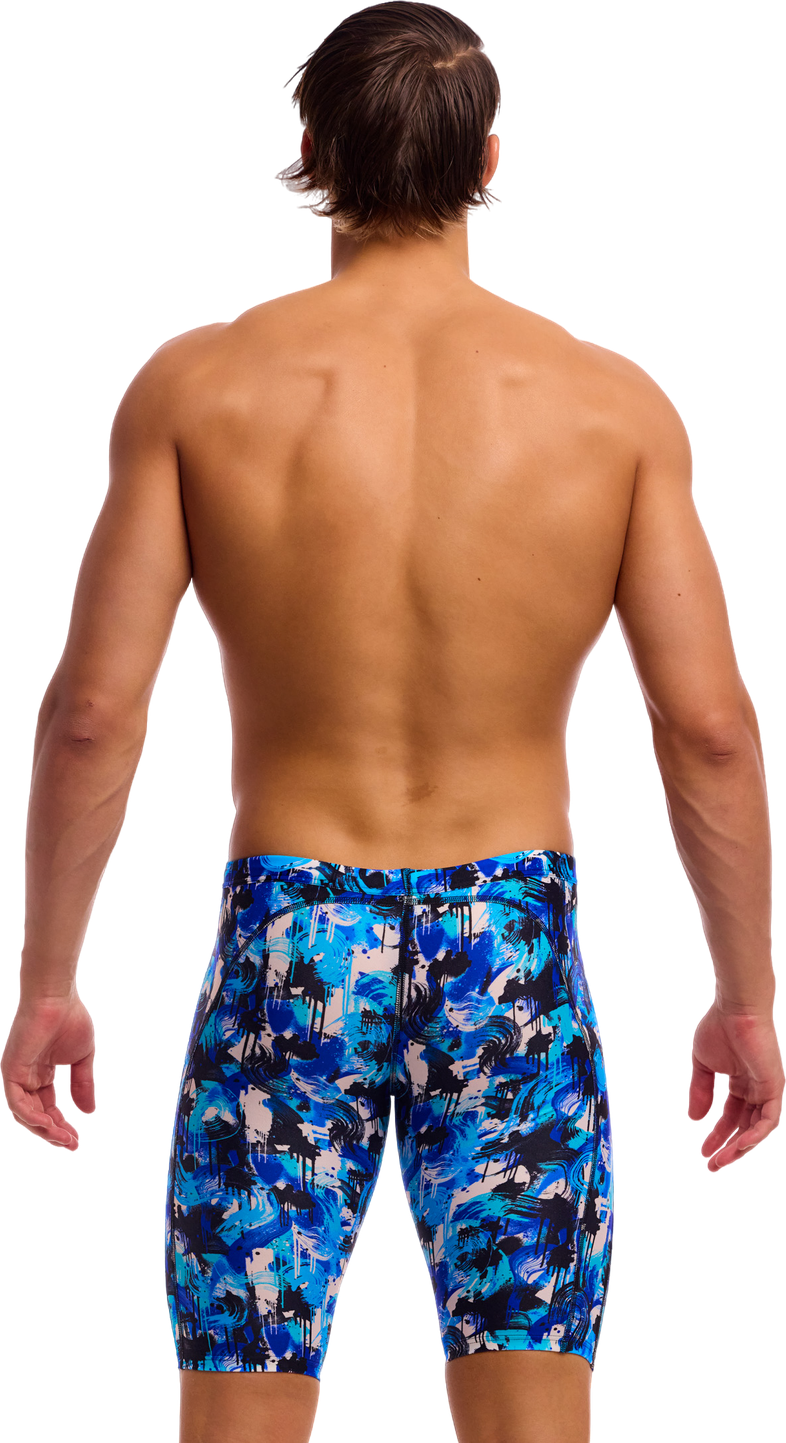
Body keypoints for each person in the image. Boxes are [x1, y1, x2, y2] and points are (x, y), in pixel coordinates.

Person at [1, 6, 782, 1443]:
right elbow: (708, 729)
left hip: (290, 936)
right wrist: (746, 998)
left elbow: (95, 714)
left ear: (310, 149)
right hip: (511, 948)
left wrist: (49, 977)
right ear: (487, 160)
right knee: (532, 1419)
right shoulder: (610, 405)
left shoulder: (199, 385)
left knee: (239, 1410)